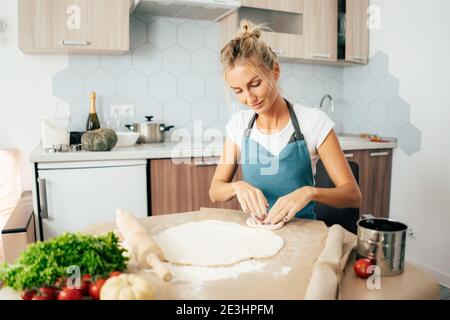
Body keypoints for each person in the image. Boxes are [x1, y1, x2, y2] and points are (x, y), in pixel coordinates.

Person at [209, 20, 361, 226]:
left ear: (275, 72)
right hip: (258, 233)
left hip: (304, 234)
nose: (249, 97)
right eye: (238, 91)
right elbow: (215, 191)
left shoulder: (313, 122)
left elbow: (352, 195)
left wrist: (310, 193)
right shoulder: (239, 125)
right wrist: (237, 187)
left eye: (255, 84)